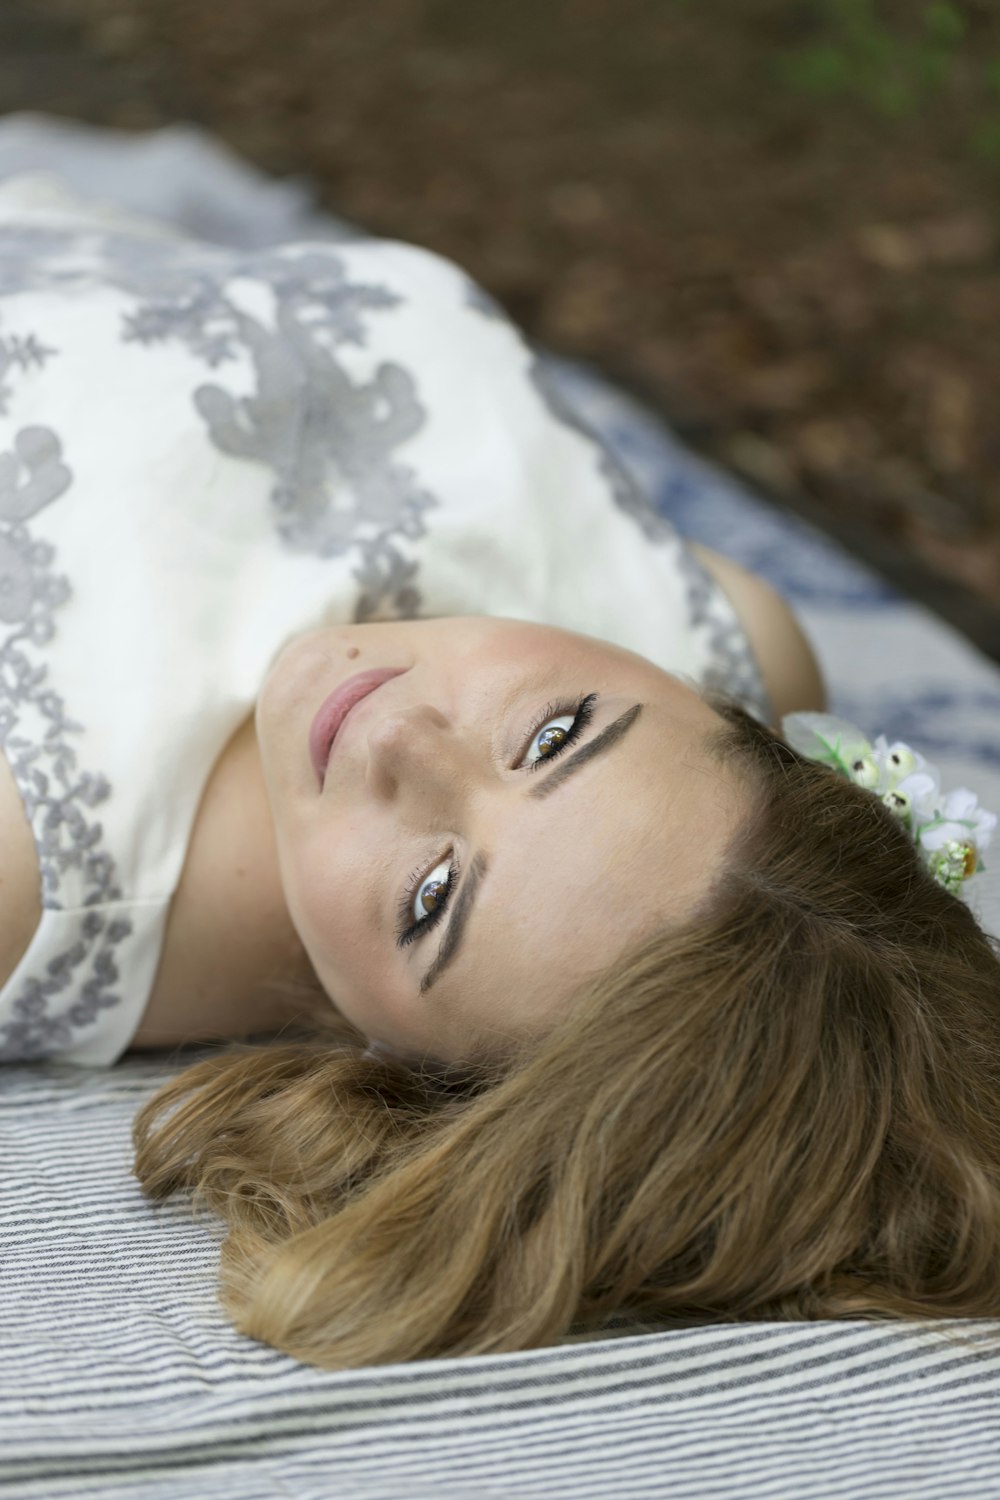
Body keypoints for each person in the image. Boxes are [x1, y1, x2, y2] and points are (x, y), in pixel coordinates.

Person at [3, 172, 1000, 1373]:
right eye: (555, 734)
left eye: (431, 899)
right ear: (722, 713)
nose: (399, 741)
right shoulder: (737, 639)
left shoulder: (37, 858)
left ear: (404, 1074)